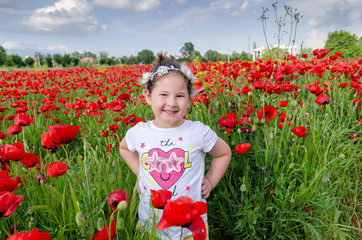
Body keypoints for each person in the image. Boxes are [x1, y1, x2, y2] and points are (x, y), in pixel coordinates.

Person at [119, 52, 231, 240]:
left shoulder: (198, 132)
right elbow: (124, 149)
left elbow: (223, 153)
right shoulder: (139, 132)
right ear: (148, 96)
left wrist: (210, 181)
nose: (171, 103)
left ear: (189, 97)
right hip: (151, 223)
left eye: (180, 96)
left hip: (191, 226)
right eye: (163, 94)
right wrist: (140, 174)